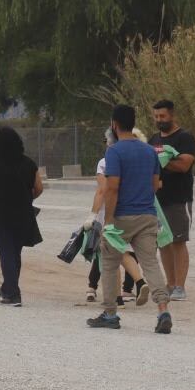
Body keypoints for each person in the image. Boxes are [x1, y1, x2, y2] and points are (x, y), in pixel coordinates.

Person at [88, 105, 173, 334]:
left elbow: (112, 188)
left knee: (109, 262)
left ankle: (110, 313)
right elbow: (155, 185)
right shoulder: (149, 151)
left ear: (114, 124)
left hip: (122, 215)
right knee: (150, 263)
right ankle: (163, 310)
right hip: (147, 215)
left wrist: (109, 221)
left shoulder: (114, 152)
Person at [0, 126, 42, 306]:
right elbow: (39, 188)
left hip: (0, 212)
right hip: (23, 211)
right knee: (15, 251)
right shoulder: (28, 163)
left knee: (5, 250)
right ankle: (8, 287)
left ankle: (12, 293)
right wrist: (27, 197)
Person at [84, 128, 147, 305]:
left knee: (110, 253)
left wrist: (93, 214)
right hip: (130, 209)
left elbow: (103, 190)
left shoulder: (105, 162)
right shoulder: (135, 160)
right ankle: (137, 283)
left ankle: (117, 295)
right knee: (123, 250)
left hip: (109, 213)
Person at [150, 100, 195, 301]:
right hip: (157, 201)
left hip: (178, 198)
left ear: (172, 115)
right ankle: (170, 284)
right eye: (156, 117)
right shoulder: (153, 140)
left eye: (163, 116)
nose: (159, 120)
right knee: (163, 243)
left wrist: (163, 160)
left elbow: (184, 165)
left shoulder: (185, 138)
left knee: (178, 241)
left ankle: (180, 286)